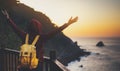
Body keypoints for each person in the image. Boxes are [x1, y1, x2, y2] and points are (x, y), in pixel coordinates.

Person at [2, 10, 78, 71]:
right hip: (36, 66)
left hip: (24, 65)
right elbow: (55, 31)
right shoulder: (42, 37)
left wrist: (8, 18)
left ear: (29, 27)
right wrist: (68, 23)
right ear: (39, 27)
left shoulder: (24, 36)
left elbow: (15, 28)